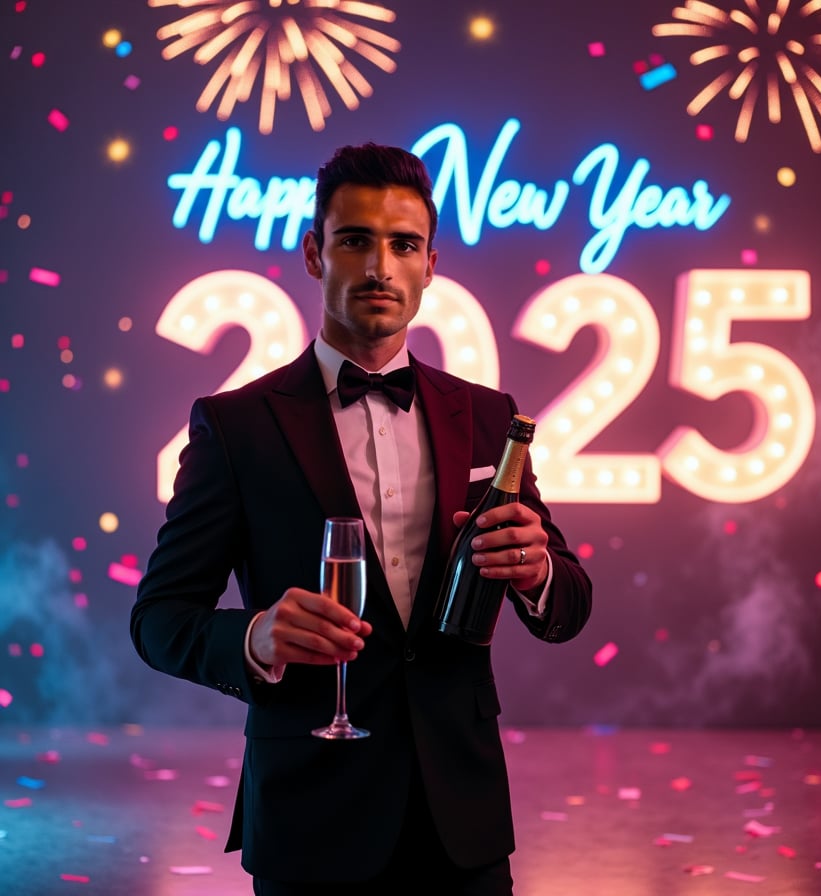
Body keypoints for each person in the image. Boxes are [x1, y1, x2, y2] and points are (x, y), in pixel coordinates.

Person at [130, 142, 593, 895]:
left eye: (404, 244)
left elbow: (569, 606)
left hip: (463, 825)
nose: (381, 267)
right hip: (310, 819)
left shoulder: (488, 416)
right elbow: (157, 620)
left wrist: (539, 571)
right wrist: (255, 635)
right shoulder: (235, 425)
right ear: (315, 253)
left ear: (431, 264)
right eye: (356, 241)